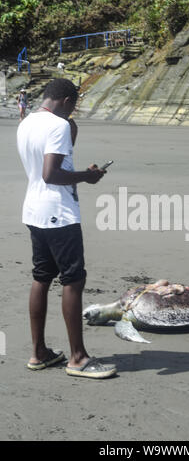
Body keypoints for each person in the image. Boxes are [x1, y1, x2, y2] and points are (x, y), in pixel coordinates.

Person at [17, 78, 117, 378]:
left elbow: (46, 168)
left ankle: (39, 353)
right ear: (66, 101)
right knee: (73, 281)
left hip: (34, 210)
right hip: (59, 214)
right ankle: (78, 357)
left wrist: (77, 171)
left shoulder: (26, 123)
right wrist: (86, 178)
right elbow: (51, 174)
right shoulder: (57, 126)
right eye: (73, 106)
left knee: (41, 278)